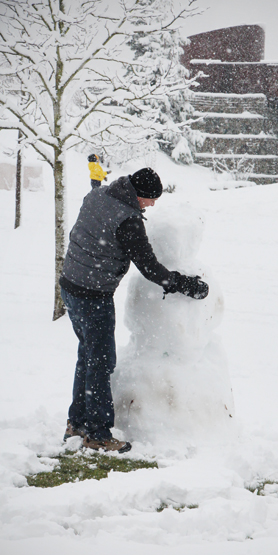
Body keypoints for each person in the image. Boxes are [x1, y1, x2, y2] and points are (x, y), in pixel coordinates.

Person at [60, 167, 209, 453]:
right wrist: (185, 284)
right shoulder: (128, 221)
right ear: (138, 194)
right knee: (101, 362)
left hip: (70, 285)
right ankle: (98, 433)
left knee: (87, 355)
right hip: (93, 295)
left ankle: (77, 422)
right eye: (150, 199)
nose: (152, 205)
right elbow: (151, 268)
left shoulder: (98, 195)